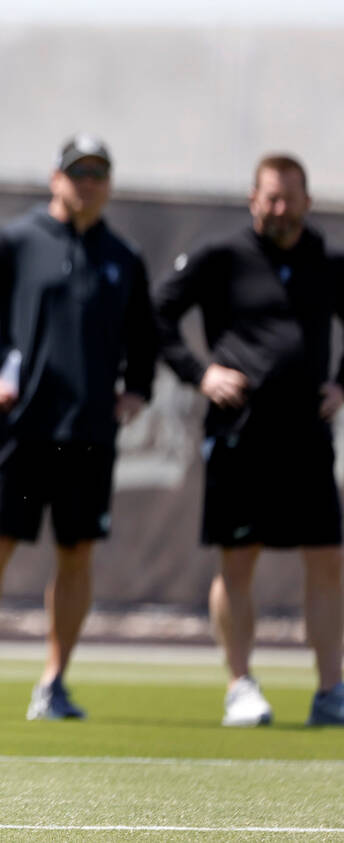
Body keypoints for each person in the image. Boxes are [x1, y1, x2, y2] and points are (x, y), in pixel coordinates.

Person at [0, 135, 156, 721]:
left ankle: (53, 683)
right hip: (19, 429)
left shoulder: (123, 258)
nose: (87, 183)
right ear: (55, 178)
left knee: (77, 555)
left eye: (98, 174)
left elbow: (146, 337)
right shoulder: (17, 241)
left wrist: (138, 391)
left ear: (109, 185)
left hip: (88, 435)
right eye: (77, 172)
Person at [153, 153, 344, 728]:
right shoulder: (221, 258)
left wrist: (342, 384)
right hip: (240, 435)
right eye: (268, 197)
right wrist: (199, 372)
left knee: (329, 561)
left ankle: (331, 690)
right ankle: (241, 684)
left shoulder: (326, 262)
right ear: (252, 199)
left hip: (307, 436)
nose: (278, 208)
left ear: (308, 202)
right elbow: (157, 315)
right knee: (238, 562)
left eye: (288, 198)